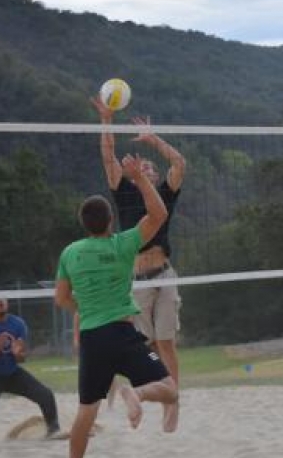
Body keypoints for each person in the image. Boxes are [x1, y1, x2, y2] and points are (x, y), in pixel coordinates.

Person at [54, 153, 179, 458]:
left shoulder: (70, 253)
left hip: (92, 338)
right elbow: (159, 214)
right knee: (169, 389)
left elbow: (61, 298)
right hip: (122, 334)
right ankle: (136, 392)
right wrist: (138, 178)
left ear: (84, 224)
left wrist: (81, 309)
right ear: (111, 221)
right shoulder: (123, 243)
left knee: (86, 412)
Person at [92, 98, 185, 422]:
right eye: (140, 166)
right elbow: (107, 157)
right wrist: (107, 119)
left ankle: (172, 402)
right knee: (148, 346)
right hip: (138, 281)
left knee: (166, 342)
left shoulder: (164, 194)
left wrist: (153, 139)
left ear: (155, 175)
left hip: (164, 274)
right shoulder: (125, 192)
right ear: (132, 175)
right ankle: (142, 389)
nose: (145, 166)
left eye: (149, 166)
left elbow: (179, 164)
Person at [0, 297, 60, 444]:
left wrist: (18, 354)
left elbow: (21, 358)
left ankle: (53, 431)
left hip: (12, 373)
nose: (0, 302)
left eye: (3, 299)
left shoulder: (18, 324)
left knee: (46, 395)